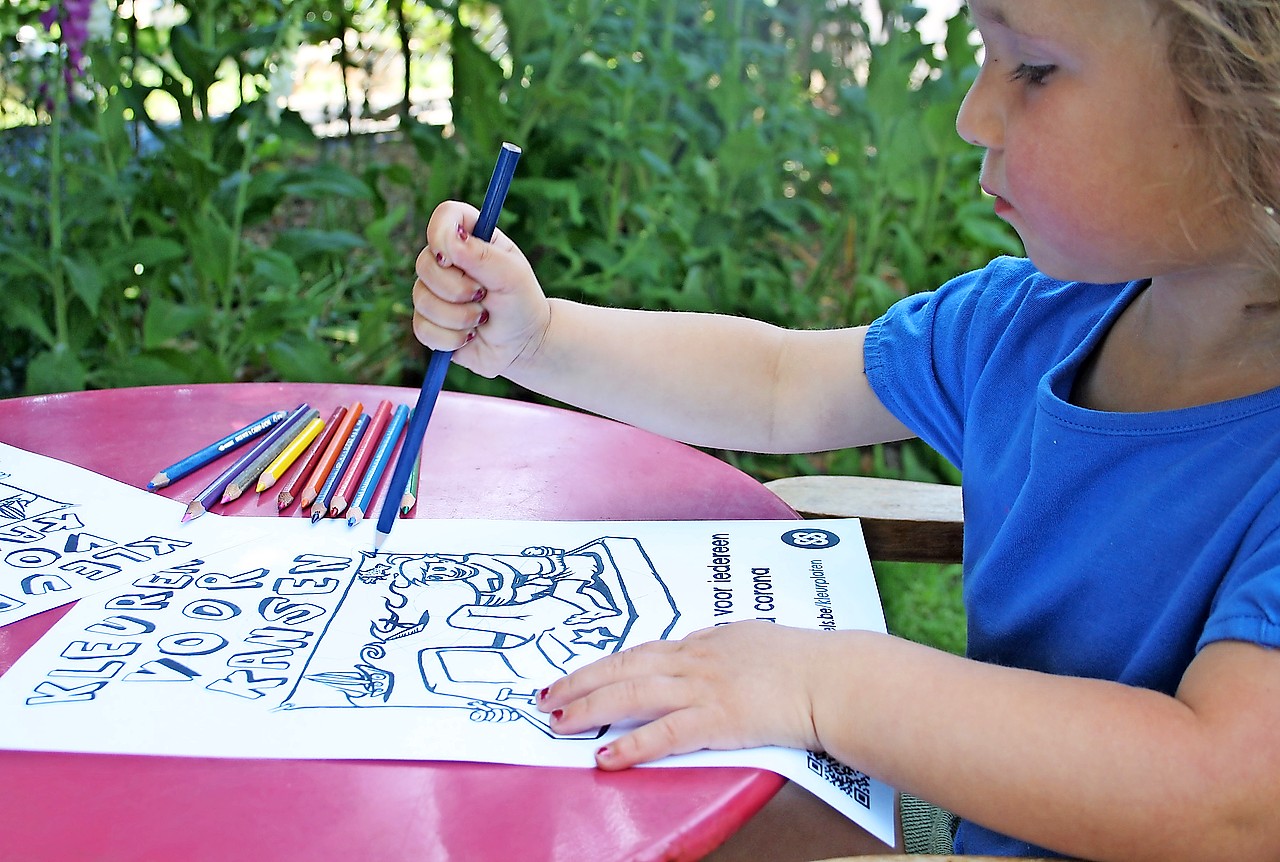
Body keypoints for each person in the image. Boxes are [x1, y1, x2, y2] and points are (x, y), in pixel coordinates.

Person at [408, 1, 1280, 858]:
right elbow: (780, 383)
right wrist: (541, 337)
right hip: (970, 822)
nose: (974, 117)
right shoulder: (1029, 324)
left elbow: (1225, 800)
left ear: (1260, 117)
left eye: (1034, 68)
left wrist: (827, 683)